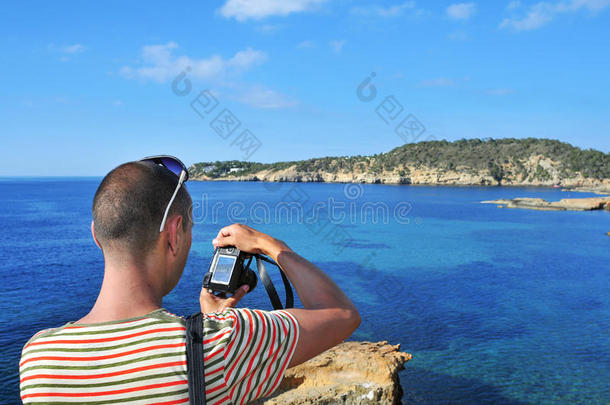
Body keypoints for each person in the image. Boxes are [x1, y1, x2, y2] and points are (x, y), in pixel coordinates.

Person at [19, 156, 360, 404]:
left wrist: (211, 319)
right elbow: (342, 313)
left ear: (97, 236)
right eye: (190, 229)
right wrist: (269, 245)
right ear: (174, 234)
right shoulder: (221, 343)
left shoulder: (38, 360)